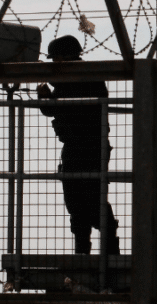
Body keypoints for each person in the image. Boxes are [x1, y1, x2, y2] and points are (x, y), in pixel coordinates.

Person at [37, 35, 118, 254]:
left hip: (89, 146)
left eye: (56, 60)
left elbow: (64, 101)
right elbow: (56, 107)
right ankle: (87, 249)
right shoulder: (73, 78)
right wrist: (45, 98)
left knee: (90, 198)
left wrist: (47, 93)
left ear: (64, 57)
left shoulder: (83, 74)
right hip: (78, 146)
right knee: (77, 200)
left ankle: (103, 249)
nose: (54, 64)